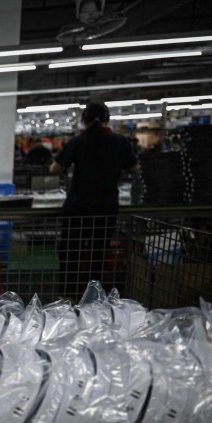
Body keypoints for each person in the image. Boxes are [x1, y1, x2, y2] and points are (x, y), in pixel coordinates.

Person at [50, 102, 139, 299]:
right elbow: (135, 168)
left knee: (70, 253)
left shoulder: (78, 141)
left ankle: (68, 296)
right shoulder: (120, 141)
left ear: (84, 121)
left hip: (78, 207)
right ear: (108, 119)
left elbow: (54, 168)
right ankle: (93, 297)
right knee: (97, 253)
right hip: (105, 207)